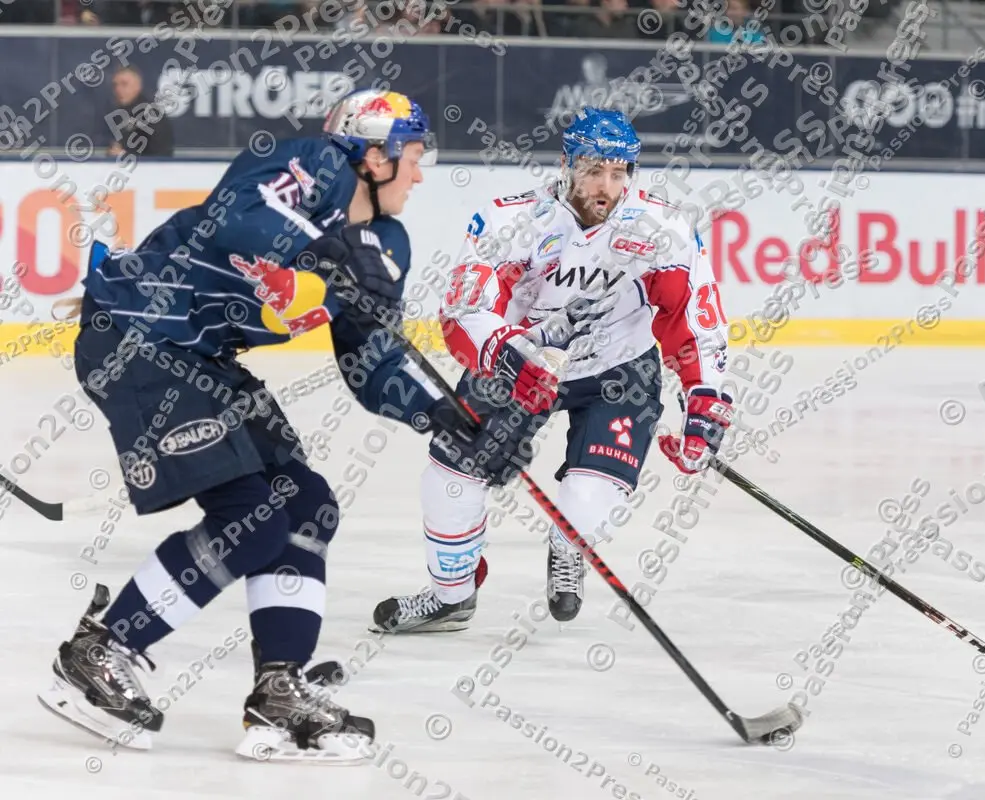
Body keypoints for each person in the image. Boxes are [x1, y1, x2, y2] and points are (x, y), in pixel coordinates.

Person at [37, 89, 491, 764]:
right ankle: (102, 650)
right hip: (137, 334)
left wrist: (449, 417)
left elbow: (371, 362)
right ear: (374, 155)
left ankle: (278, 689)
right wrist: (326, 250)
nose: (421, 175)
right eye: (415, 157)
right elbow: (237, 214)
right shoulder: (315, 165)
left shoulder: (388, 244)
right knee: (250, 515)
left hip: (203, 358)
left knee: (305, 505)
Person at [372, 107, 733, 632]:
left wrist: (705, 403)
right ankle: (451, 596)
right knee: (449, 480)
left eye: (618, 172)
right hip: (521, 362)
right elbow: (463, 311)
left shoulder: (665, 230)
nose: (605, 186)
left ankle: (568, 542)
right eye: (592, 170)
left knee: (589, 505)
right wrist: (507, 353)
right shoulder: (511, 220)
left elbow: (695, 320)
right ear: (566, 164)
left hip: (619, 369)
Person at [105, 66, 175, 158]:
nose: (118, 89)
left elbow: (161, 153)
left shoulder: (151, 114)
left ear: (137, 86)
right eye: (115, 85)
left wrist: (123, 155)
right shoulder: (118, 114)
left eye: (124, 84)